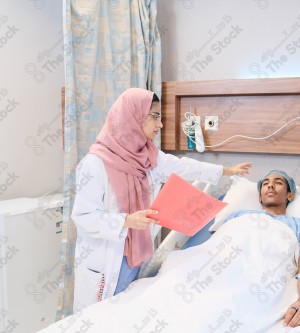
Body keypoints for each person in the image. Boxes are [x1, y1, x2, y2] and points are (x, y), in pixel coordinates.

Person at [71, 88, 252, 312]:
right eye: (155, 116)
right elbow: (83, 217)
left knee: (123, 316)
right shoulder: (95, 164)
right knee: (96, 320)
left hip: (135, 257)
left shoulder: (148, 156)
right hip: (105, 262)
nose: (160, 124)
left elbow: (186, 166)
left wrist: (227, 170)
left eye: (160, 117)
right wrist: (126, 221)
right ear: (133, 116)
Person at [224, 170, 300, 328]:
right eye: (265, 184)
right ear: (259, 197)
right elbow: (217, 246)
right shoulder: (238, 216)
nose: (270, 185)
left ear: (290, 195)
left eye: (278, 182)